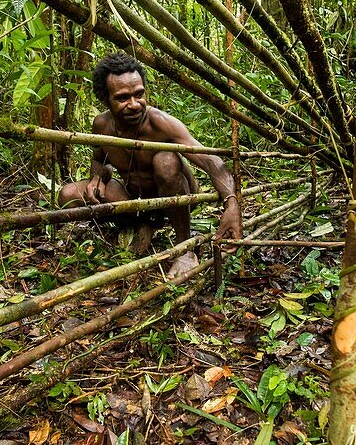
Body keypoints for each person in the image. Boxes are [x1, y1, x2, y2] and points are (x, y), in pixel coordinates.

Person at [58, 52, 243, 278]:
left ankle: (185, 249)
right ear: (105, 99)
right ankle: (142, 225)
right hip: (136, 199)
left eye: (139, 94)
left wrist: (232, 204)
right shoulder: (102, 125)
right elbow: (99, 158)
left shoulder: (160, 124)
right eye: (123, 98)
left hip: (174, 197)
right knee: (68, 194)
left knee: (165, 160)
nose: (134, 104)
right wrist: (97, 178)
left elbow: (210, 160)